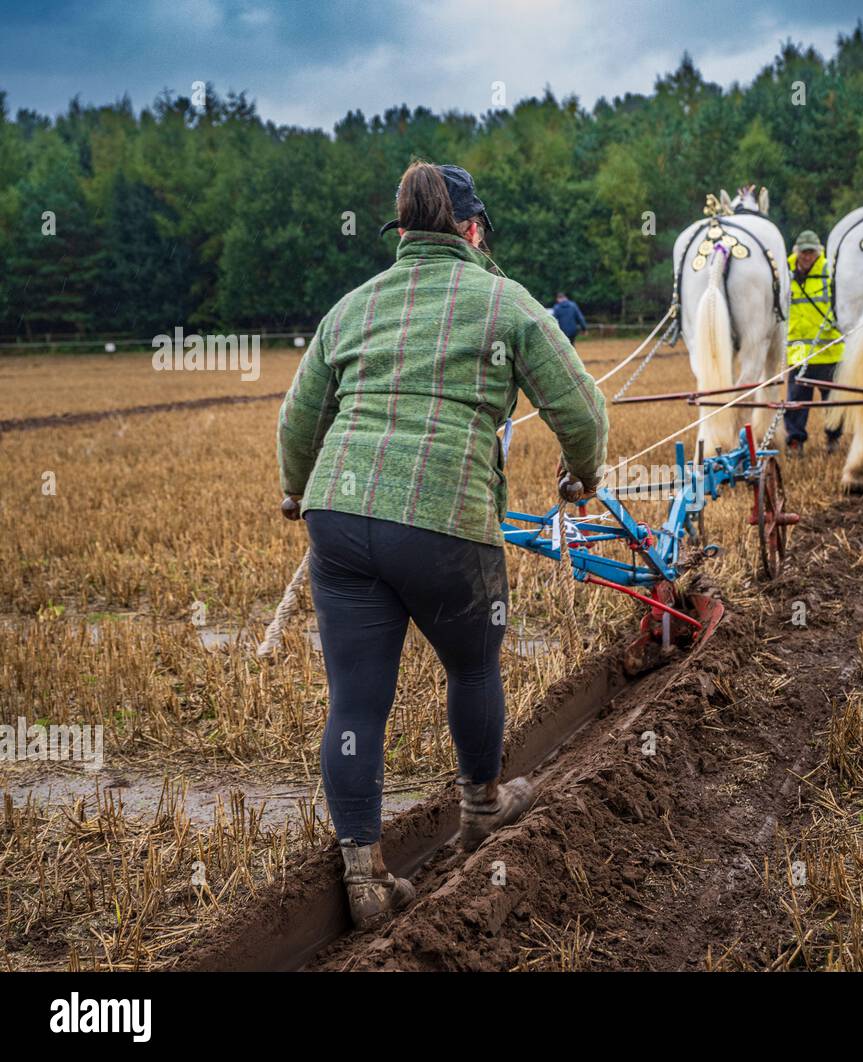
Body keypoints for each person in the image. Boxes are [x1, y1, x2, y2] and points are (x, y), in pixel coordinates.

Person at [276, 161, 608, 929]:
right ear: (473, 231)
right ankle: (482, 805)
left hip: (339, 517)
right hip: (443, 522)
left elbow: (298, 420)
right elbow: (583, 411)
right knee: (472, 664)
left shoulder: (353, 308)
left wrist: (297, 492)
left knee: (356, 698)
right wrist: (580, 476)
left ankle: (363, 874)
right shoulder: (506, 303)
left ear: (402, 233)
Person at [783, 230, 843, 454]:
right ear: (796, 252)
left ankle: (833, 438)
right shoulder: (785, 274)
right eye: (803, 252)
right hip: (799, 350)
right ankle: (795, 441)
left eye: (811, 252)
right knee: (796, 400)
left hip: (829, 349)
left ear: (819, 252)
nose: (807, 256)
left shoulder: (830, 272)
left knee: (834, 401)